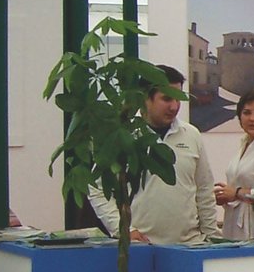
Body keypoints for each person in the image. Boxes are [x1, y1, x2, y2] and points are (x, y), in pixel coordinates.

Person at [90, 66, 220, 245]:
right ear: (145, 98)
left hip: (190, 245)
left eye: (178, 99)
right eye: (167, 99)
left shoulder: (191, 134)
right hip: (141, 246)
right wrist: (124, 229)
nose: (174, 106)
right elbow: (96, 188)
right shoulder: (123, 135)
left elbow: (204, 189)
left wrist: (211, 237)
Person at [213, 87, 254, 240]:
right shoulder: (244, 144)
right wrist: (225, 196)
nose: (252, 118)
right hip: (233, 227)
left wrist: (236, 193)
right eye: (246, 113)